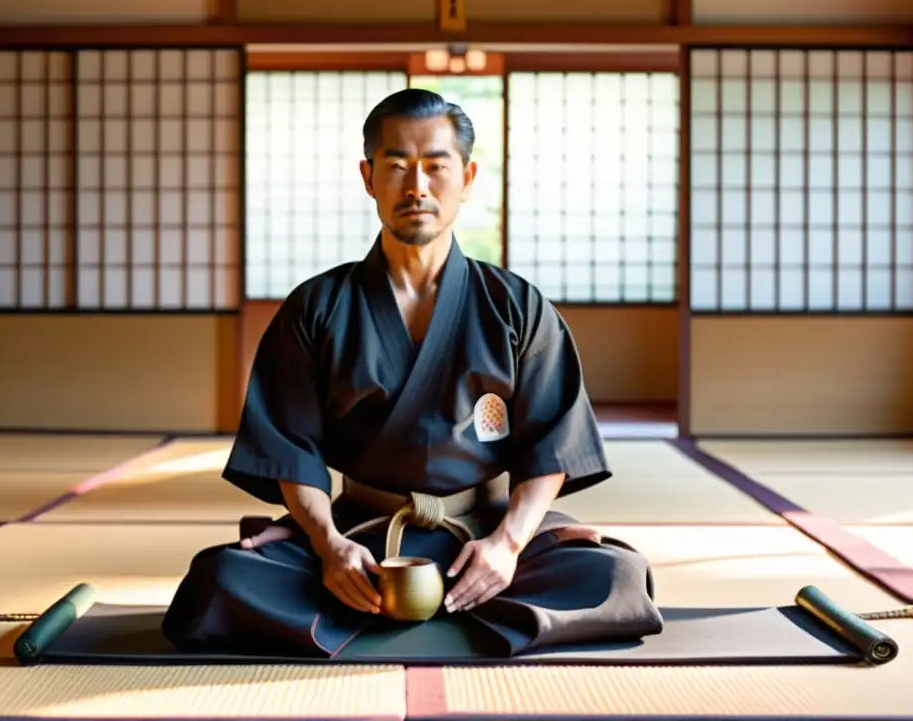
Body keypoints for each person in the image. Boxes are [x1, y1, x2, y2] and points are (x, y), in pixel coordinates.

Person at [161, 88, 663, 658]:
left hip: (480, 531)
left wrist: (510, 542)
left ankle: (466, 589)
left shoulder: (516, 306)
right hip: (360, 537)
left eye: (436, 167)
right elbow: (289, 449)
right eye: (396, 166)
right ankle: (387, 595)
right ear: (368, 176)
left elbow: (553, 445)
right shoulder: (317, 307)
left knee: (617, 575)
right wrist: (327, 546)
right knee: (219, 579)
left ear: (468, 177)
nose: (417, 186)